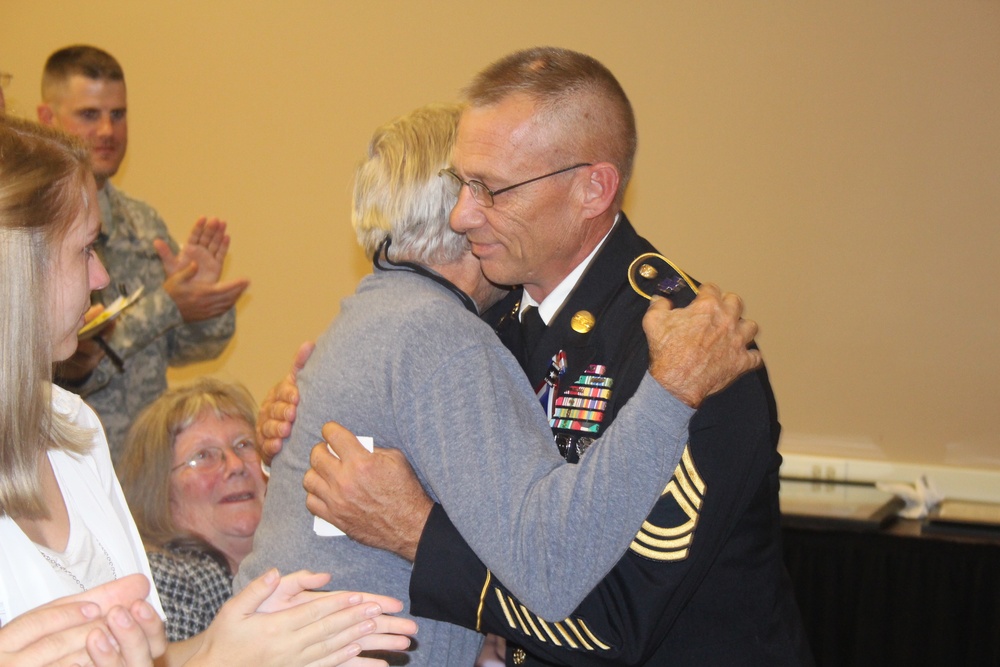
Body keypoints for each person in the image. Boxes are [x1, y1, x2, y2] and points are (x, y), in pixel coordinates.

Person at [269, 47, 813, 666]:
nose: (461, 214)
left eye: (492, 190)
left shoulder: (691, 357)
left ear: (593, 188)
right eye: (461, 183)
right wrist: (305, 422)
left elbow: (612, 627)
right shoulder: (485, 320)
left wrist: (417, 534)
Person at [0, 115, 417, 666]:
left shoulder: (72, 426)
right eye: (85, 250)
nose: (101, 276)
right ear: (18, 269)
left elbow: (146, 658)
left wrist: (228, 644)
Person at [37, 45, 249, 459]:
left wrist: (202, 305)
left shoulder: (141, 222)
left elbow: (190, 350)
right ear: (47, 119)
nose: (107, 131)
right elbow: (64, 371)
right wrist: (167, 306)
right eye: (89, 114)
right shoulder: (31, 228)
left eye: (118, 114)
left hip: (149, 470)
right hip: (70, 466)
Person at [118, 378, 268, 641]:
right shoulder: (166, 580)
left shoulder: (302, 554)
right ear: (159, 489)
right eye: (203, 455)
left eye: (244, 444)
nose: (235, 465)